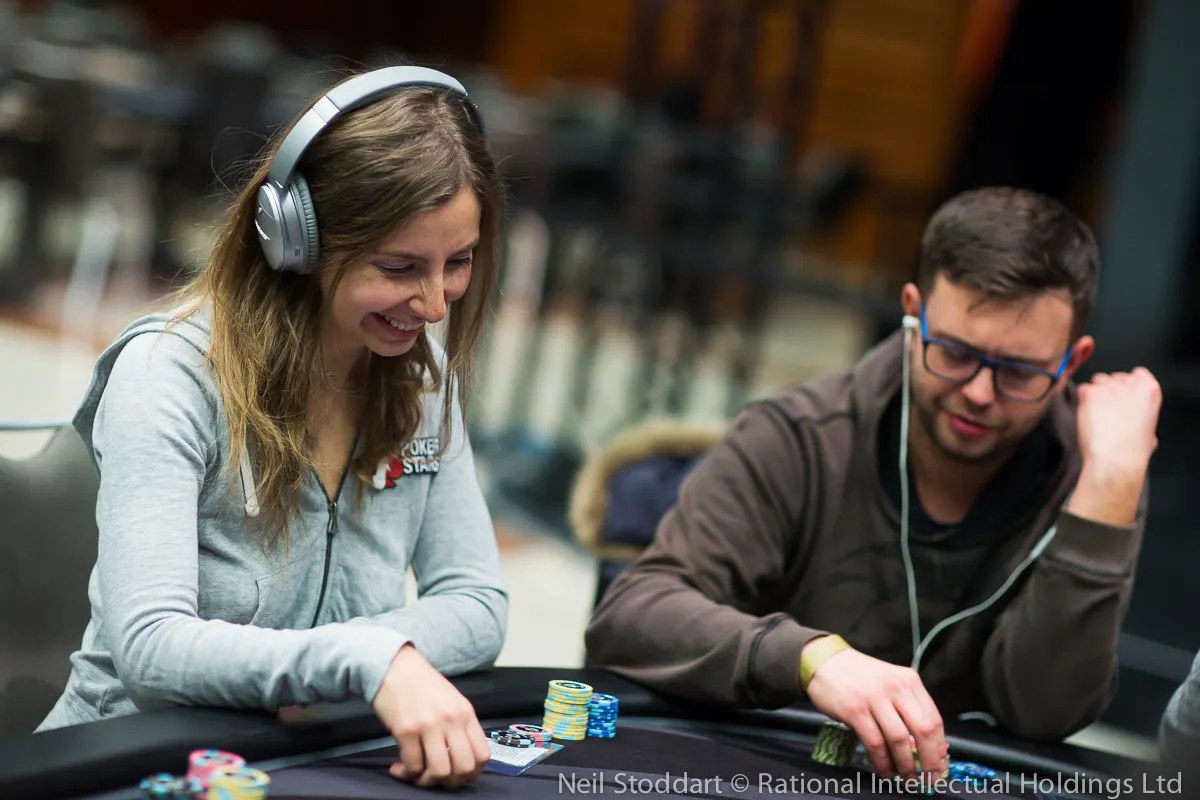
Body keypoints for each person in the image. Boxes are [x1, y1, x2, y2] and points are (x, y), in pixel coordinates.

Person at [584, 187, 1160, 781]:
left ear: (1072, 360)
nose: (979, 392)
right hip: (766, 772)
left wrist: (1107, 493)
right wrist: (811, 659)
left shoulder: (1099, 473)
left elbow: (1044, 713)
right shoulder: (800, 435)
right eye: (955, 353)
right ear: (913, 315)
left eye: (1019, 371)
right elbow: (629, 617)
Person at [37, 66, 509, 790]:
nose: (434, 304)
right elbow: (151, 648)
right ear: (297, 239)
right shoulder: (168, 374)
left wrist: (361, 661)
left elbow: (478, 606)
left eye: (459, 262)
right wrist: (369, 661)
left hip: (305, 760)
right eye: (398, 266)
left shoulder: (422, 377)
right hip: (124, 761)